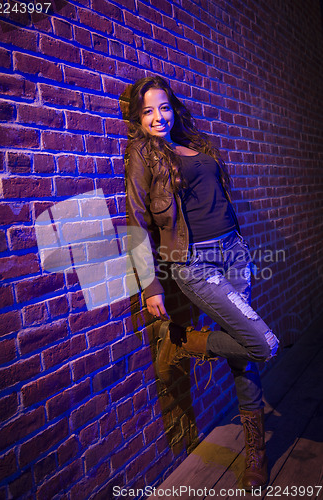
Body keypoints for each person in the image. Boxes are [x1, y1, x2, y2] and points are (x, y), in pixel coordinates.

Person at [124, 76, 279, 490]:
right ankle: (186, 342)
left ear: (174, 109)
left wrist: (240, 246)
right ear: (138, 118)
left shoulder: (196, 145)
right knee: (263, 343)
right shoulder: (141, 153)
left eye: (164, 107)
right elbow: (137, 221)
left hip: (234, 253)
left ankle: (255, 453)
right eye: (147, 111)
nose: (158, 116)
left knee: (244, 350)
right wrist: (151, 286)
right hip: (196, 263)